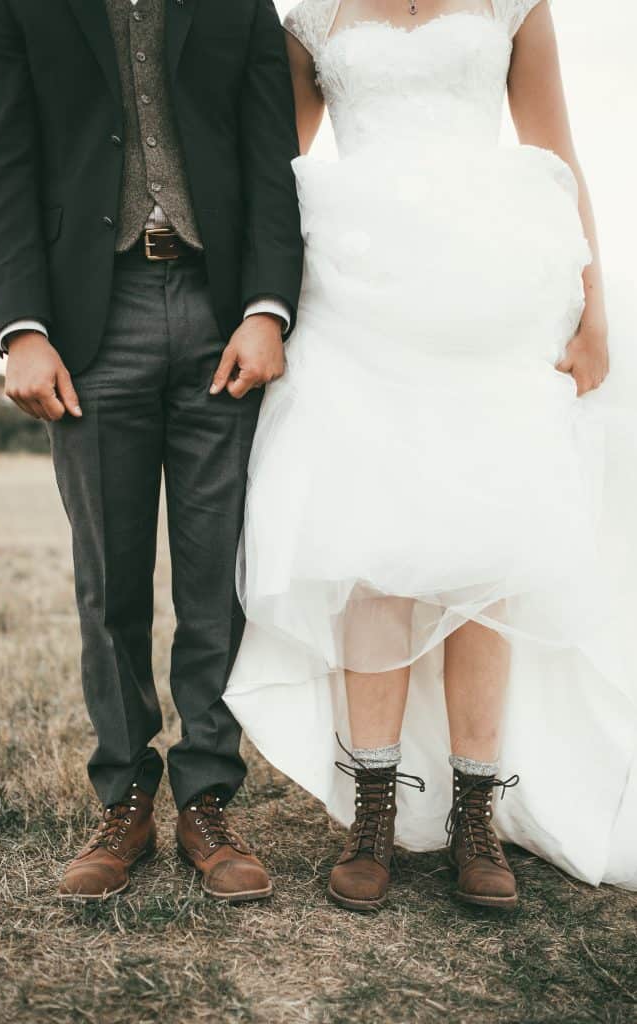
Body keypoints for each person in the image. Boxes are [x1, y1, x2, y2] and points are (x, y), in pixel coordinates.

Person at [225, 0, 637, 910]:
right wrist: (262, 304)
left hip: (491, 293)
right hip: (357, 290)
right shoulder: (309, 17)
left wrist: (591, 309)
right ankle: (373, 813)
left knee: (484, 549)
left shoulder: (514, 6)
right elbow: (274, 170)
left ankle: (475, 815)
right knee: (373, 549)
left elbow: (556, 158)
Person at [0, 0, 303, 903]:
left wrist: (268, 307)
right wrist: (19, 330)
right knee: (109, 580)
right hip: (88, 319)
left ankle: (206, 797)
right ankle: (124, 797)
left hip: (217, 311)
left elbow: (274, 161)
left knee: (214, 578)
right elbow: (2, 161)